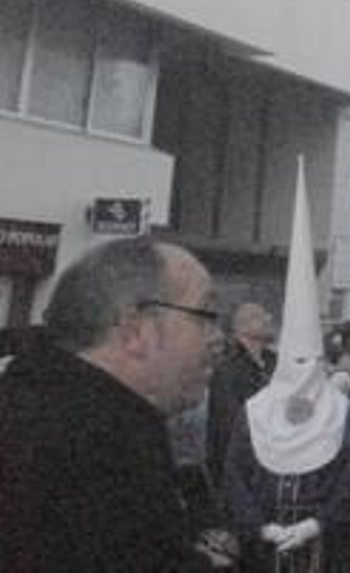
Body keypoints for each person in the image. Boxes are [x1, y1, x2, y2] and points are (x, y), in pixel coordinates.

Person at [0, 236, 228, 571]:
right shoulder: (95, 447)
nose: (218, 338)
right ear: (135, 330)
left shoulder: (35, 403)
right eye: (205, 315)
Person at [224, 162, 350, 572]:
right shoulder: (256, 409)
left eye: (310, 361)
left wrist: (315, 524)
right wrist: (259, 526)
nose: (303, 369)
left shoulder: (341, 411)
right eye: (295, 361)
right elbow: (234, 471)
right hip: (264, 537)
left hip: (322, 537)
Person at [208, 301, 276, 481]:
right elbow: (230, 426)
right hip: (243, 472)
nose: (269, 319)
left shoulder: (275, 363)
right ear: (242, 327)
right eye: (260, 315)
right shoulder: (227, 371)